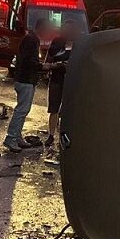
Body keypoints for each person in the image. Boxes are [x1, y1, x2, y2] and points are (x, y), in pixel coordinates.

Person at [4, 17, 58, 153]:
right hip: (26, 80)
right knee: (21, 110)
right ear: (42, 28)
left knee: (23, 110)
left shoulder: (30, 38)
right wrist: (45, 66)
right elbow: (30, 61)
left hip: (23, 79)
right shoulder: (32, 40)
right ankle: (11, 138)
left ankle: (17, 137)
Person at [44, 19, 79, 147]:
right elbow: (48, 62)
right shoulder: (57, 42)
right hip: (56, 80)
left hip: (71, 81)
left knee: (67, 110)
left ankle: (63, 136)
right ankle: (51, 135)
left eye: (71, 30)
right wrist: (57, 65)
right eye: (66, 29)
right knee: (54, 108)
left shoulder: (78, 44)